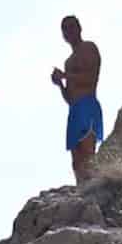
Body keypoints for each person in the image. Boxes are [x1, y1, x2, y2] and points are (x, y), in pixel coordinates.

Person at [51, 15, 103, 183]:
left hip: (88, 105)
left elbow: (90, 78)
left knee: (88, 153)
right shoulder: (68, 62)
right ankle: (83, 190)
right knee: (76, 161)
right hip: (74, 110)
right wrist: (60, 84)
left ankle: (94, 186)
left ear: (79, 27)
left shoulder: (89, 48)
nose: (69, 32)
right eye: (65, 29)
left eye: (72, 27)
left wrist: (66, 76)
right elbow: (70, 98)